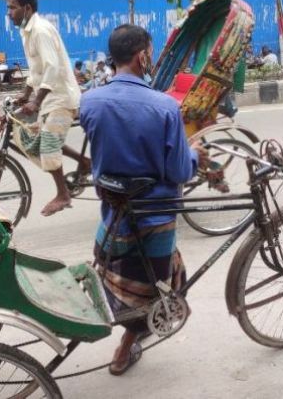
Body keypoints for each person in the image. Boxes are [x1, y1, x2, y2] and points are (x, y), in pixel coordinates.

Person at [79, 24, 209, 376]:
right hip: (154, 221)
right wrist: (195, 154)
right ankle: (125, 347)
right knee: (162, 287)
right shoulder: (165, 107)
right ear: (143, 56)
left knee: (127, 277)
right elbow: (180, 171)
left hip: (115, 217)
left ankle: (131, 336)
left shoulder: (89, 101)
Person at [5, 0, 89, 216]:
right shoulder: (27, 31)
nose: (9, 13)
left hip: (62, 98)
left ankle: (63, 194)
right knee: (45, 139)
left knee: (49, 143)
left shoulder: (40, 31)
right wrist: (25, 94)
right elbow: (37, 70)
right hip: (52, 99)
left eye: (12, 8)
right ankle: (84, 162)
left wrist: (36, 100)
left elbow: (52, 67)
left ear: (27, 8)